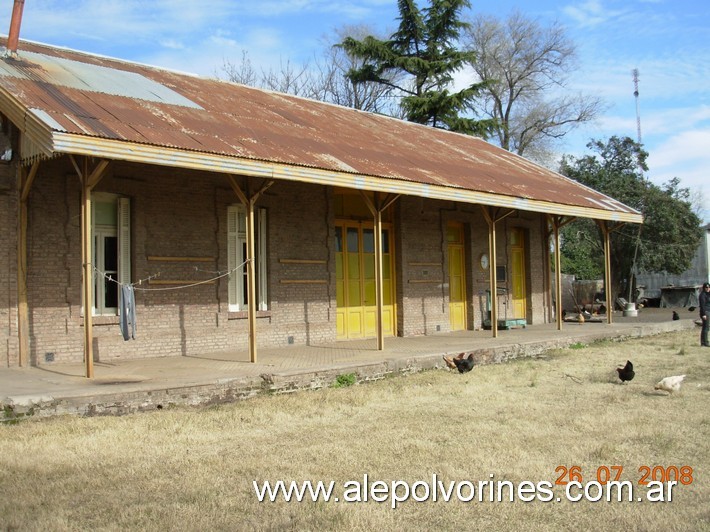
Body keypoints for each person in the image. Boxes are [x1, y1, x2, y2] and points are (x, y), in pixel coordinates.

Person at [700, 282, 710, 347]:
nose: (708, 288)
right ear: (704, 288)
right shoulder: (702, 295)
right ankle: (705, 342)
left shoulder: (708, 294)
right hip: (705, 312)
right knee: (706, 327)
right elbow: (702, 305)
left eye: (709, 287)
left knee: (705, 327)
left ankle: (704, 342)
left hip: (708, 311)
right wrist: (703, 314)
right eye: (706, 287)